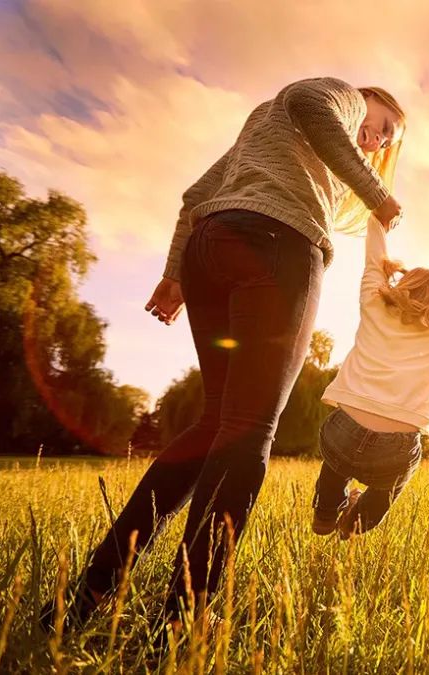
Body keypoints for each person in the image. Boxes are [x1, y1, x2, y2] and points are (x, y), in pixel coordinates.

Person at [41, 78, 407, 634]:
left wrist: (173, 274)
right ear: (367, 99)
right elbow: (312, 105)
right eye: (383, 127)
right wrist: (375, 191)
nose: (377, 142)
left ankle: (91, 591)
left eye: (385, 144)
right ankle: (184, 620)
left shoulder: (266, 126)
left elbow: (195, 195)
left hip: (210, 249)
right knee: (250, 429)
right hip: (278, 246)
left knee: (216, 423)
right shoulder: (337, 94)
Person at [311, 219, 429, 539]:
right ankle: (357, 522)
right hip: (395, 447)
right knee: (390, 484)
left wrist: (378, 221)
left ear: (404, 285)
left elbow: (374, 258)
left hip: (343, 431)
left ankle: (326, 513)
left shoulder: (374, 303)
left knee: (336, 463)